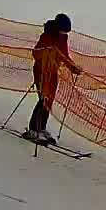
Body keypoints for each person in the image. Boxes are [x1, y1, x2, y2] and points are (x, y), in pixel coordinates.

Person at [25, 13, 83, 145]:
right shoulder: (47, 36)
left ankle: (42, 127)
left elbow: (64, 55)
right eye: (62, 30)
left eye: (66, 31)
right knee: (43, 98)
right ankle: (34, 129)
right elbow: (36, 53)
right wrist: (47, 53)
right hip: (42, 71)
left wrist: (73, 68)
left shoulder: (63, 38)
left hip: (53, 72)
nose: (64, 33)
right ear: (58, 27)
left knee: (49, 100)